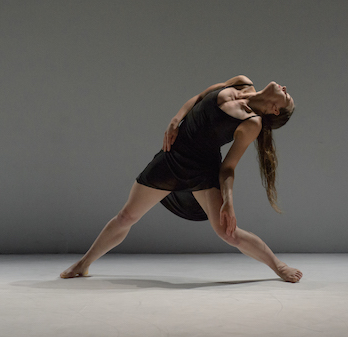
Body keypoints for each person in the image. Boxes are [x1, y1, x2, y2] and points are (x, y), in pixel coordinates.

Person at [60, 75, 303, 283]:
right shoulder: (242, 82)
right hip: (172, 158)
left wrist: (228, 201)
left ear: (275, 110)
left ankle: (278, 266)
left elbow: (228, 167)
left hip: (202, 170)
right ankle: (83, 264)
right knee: (126, 216)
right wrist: (177, 118)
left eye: (287, 96)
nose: (284, 88)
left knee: (228, 233)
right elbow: (198, 98)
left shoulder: (252, 123)